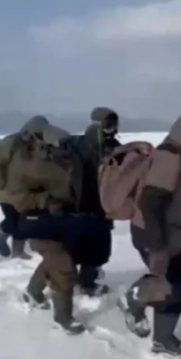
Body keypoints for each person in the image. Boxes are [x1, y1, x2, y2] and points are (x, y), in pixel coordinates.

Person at [119, 106, 181, 358]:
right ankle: (137, 299)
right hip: (154, 235)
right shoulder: (169, 158)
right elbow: (150, 204)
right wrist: (157, 248)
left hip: (177, 238)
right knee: (180, 287)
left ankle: (158, 332)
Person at [0, 120, 94, 334]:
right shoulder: (28, 165)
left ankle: (32, 291)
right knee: (64, 267)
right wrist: (45, 201)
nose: (64, 147)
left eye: (66, 144)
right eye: (59, 144)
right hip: (39, 222)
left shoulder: (69, 160)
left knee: (56, 261)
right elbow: (16, 198)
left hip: (65, 221)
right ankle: (63, 318)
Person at [60, 107, 122, 297]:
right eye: (109, 124)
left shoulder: (77, 143)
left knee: (88, 250)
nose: (113, 128)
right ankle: (81, 284)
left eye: (114, 124)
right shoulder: (87, 146)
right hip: (86, 207)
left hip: (88, 207)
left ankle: (78, 282)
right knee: (87, 250)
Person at [0, 116, 52, 260]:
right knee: (12, 221)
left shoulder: (40, 144)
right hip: (6, 191)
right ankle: (1, 236)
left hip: (26, 192)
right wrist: (0, 183)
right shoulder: (11, 142)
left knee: (24, 221)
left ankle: (18, 251)